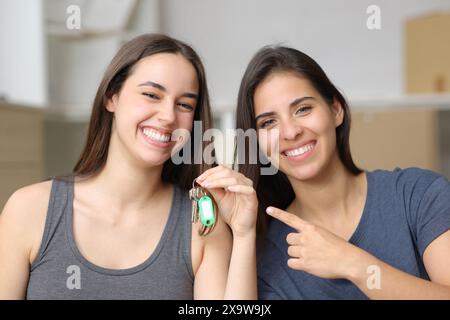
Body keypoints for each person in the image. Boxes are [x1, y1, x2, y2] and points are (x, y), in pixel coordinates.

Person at [0, 34, 257, 300]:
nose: (168, 116)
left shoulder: (203, 225)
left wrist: (244, 233)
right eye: (151, 94)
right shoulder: (29, 210)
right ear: (112, 97)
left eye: (184, 104)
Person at [235, 45, 450, 299]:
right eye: (269, 122)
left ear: (335, 110)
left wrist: (353, 264)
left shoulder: (418, 194)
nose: (290, 132)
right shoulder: (269, 260)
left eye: (302, 109)